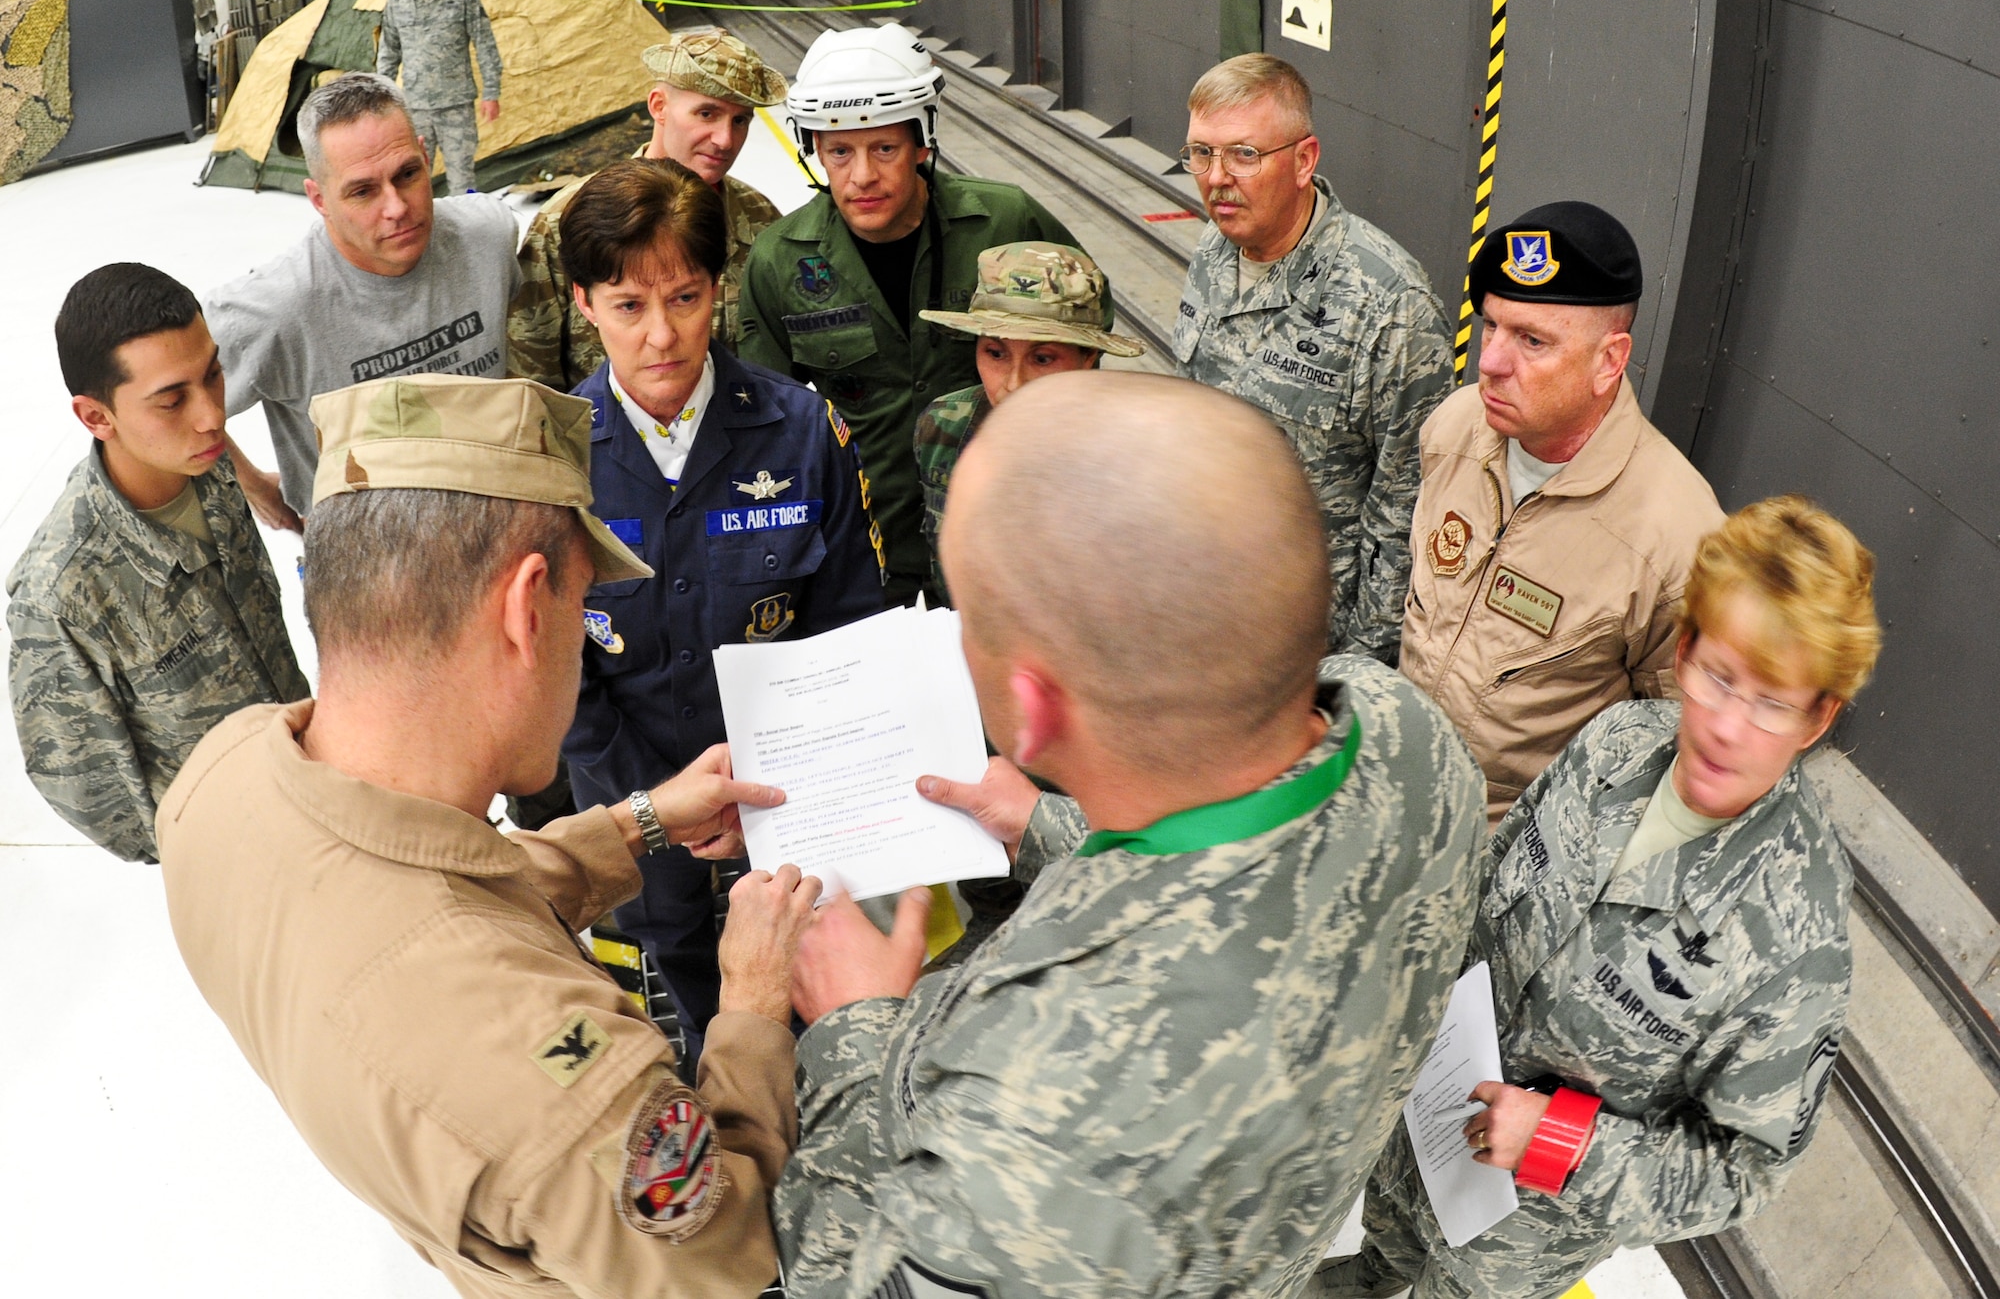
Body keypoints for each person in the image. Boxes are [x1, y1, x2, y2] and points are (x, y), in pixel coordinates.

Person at [771, 370, 1487, 1298]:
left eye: (972, 621)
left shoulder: (1042, 1109)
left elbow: (851, 1278)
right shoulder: (1407, 729)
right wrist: (1046, 824)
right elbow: (1258, 865)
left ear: (1031, 710)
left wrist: (851, 1032)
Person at [157, 372, 823, 1299]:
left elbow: (419, 883)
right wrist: (751, 1001)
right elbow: (729, 1250)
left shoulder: (220, 774)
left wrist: (638, 823)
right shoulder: (561, 1091)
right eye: (584, 606)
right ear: (526, 608)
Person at [1316, 496, 1881, 1299]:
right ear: (1684, 652)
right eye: (1720, 677)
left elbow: (1743, 1170)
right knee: (1379, 1254)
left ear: (1818, 719)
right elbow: (1496, 874)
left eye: (1772, 703)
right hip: (1424, 1120)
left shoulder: (1797, 933)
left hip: (1517, 1233)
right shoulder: (1617, 741)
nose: (1728, 726)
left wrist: (1560, 1144)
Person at [559, 158, 887, 1064]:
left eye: (685, 298)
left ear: (719, 288)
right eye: (628, 305)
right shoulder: (550, 461)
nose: (662, 335)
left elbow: (849, 629)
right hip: (629, 808)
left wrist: (765, 788)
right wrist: (663, 809)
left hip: (787, 800)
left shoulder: (803, 433)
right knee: (678, 1007)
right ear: (584, 303)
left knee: (816, 1004)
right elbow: (553, 675)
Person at [1400, 201, 1725, 824]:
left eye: (1532, 341)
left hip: (1506, 839)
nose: (1490, 363)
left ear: (1609, 361)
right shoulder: (1455, 428)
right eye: (1491, 325)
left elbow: (1673, 748)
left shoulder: (1676, 538)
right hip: (1396, 783)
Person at [738, 23, 1084, 605]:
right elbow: (768, 420)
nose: (862, 176)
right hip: (865, 554)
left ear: (923, 142)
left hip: (1009, 538)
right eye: (839, 151)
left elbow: (1083, 344)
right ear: (814, 149)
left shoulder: (1007, 223)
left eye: (885, 149)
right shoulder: (778, 261)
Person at [7, 264, 308, 865]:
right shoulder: (63, 595)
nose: (212, 415)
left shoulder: (205, 465)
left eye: (213, 375)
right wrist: (208, 854)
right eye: (172, 400)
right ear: (97, 417)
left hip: (311, 781)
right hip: (233, 859)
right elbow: (89, 793)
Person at [1173, 53, 1452, 663]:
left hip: (1304, 644)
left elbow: (1405, 514)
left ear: (1304, 161)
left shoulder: (1389, 304)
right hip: (1203, 602)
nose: (1216, 178)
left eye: (1244, 154)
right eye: (1201, 153)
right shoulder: (1214, 250)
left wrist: (1353, 674)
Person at [204, 72, 521, 529]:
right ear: (319, 199)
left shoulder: (488, 237)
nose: (396, 208)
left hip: (500, 524)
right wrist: (252, 486)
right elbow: (160, 393)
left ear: (426, 157)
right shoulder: (274, 308)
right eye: (363, 191)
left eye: (407, 175)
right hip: (364, 556)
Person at [511, 30, 786, 389]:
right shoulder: (566, 220)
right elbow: (532, 381)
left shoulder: (759, 217)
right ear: (658, 106)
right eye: (706, 113)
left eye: (740, 121)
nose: (725, 140)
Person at [912, 240, 1144, 604]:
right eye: (996, 353)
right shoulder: (943, 429)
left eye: (1043, 358)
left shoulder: (1137, 460)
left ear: (1088, 358)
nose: (1014, 383)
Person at [375, 0, 503, 196]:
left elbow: (485, 43)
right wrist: (381, 102)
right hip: (415, 108)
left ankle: (467, 215)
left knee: (463, 179)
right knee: (413, 179)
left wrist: (491, 92)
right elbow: (388, 53)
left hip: (456, 105)